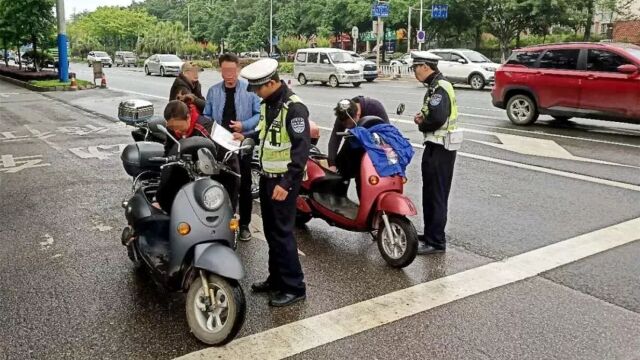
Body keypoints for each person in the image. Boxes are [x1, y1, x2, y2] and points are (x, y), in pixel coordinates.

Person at [239, 58, 309, 307]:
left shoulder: (294, 108)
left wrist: (287, 183)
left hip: (283, 183)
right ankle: (276, 278)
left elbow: (302, 150)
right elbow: (265, 133)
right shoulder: (269, 104)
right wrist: (244, 135)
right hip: (269, 179)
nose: (256, 92)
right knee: (271, 232)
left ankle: (294, 286)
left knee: (283, 233)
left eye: (258, 88)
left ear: (271, 83)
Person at [203, 53, 261, 241]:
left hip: (241, 144)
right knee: (218, 183)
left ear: (238, 70)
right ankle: (220, 222)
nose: (229, 74)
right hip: (219, 145)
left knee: (244, 185)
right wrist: (213, 129)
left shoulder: (250, 91)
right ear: (221, 70)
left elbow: (259, 115)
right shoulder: (213, 91)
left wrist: (243, 126)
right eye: (226, 70)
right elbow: (207, 115)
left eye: (233, 70)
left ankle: (244, 224)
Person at [411, 51, 459, 255]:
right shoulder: (434, 86)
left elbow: (437, 118)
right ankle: (430, 233)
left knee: (436, 195)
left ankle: (436, 241)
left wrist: (422, 123)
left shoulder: (440, 87)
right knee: (429, 193)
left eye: (415, 68)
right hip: (434, 146)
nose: (414, 72)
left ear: (425, 67)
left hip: (441, 149)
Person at [154, 100, 213, 212]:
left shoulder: (203, 128)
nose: (177, 131)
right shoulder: (171, 130)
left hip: (207, 171)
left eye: (179, 127)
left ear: (188, 117)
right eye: (172, 128)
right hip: (183, 168)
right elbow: (169, 152)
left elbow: (215, 154)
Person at [328, 96, 389, 174]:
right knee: (342, 163)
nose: (347, 127)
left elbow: (387, 132)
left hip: (377, 145)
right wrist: (332, 164)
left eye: (350, 124)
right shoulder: (344, 113)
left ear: (358, 115)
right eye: (344, 124)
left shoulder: (375, 108)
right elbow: (335, 139)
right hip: (357, 143)